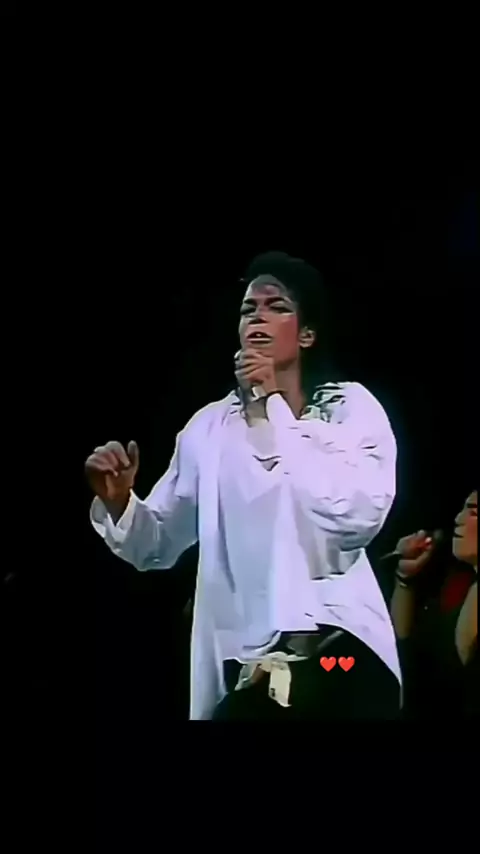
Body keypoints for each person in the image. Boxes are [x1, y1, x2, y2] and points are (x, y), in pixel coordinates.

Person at [86, 251, 401, 720]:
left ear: (307, 334)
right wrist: (120, 504)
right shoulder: (209, 428)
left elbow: (354, 515)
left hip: (338, 648)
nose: (257, 316)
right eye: (248, 309)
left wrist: (274, 406)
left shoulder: (348, 409)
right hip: (246, 665)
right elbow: (158, 543)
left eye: (277, 306)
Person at [390, 490, 478, 718]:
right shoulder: (457, 587)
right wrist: (405, 578)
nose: (458, 519)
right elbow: (407, 644)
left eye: (474, 513)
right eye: (463, 509)